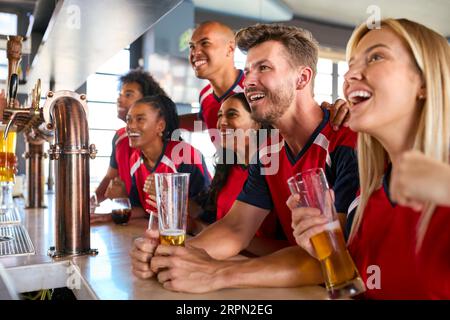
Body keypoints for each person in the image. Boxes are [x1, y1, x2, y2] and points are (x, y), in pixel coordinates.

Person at [130, 24, 359, 293]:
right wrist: (169, 255)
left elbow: (335, 251)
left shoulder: (348, 141)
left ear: (302, 78)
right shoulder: (268, 150)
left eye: (264, 68)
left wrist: (219, 273)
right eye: (248, 69)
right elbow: (236, 228)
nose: (248, 81)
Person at [288, 18, 450, 299]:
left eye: (376, 56)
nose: (350, 75)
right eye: (350, 64)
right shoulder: (367, 198)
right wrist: (331, 256)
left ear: (424, 82)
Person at [126, 95, 211, 222]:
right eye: (129, 120)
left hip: (189, 235)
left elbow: (201, 211)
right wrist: (107, 216)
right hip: (156, 230)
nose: (131, 126)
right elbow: (142, 210)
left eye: (140, 119)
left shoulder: (185, 154)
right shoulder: (135, 159)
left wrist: (167, 193)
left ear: (160, 126)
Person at [93, 69, 167, 203]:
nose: (119, 99)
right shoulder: (120, 137)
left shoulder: (167, 142)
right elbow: (110, 178)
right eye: (120, 94)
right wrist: (89, 205)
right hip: (136, 215)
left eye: (128, 94)